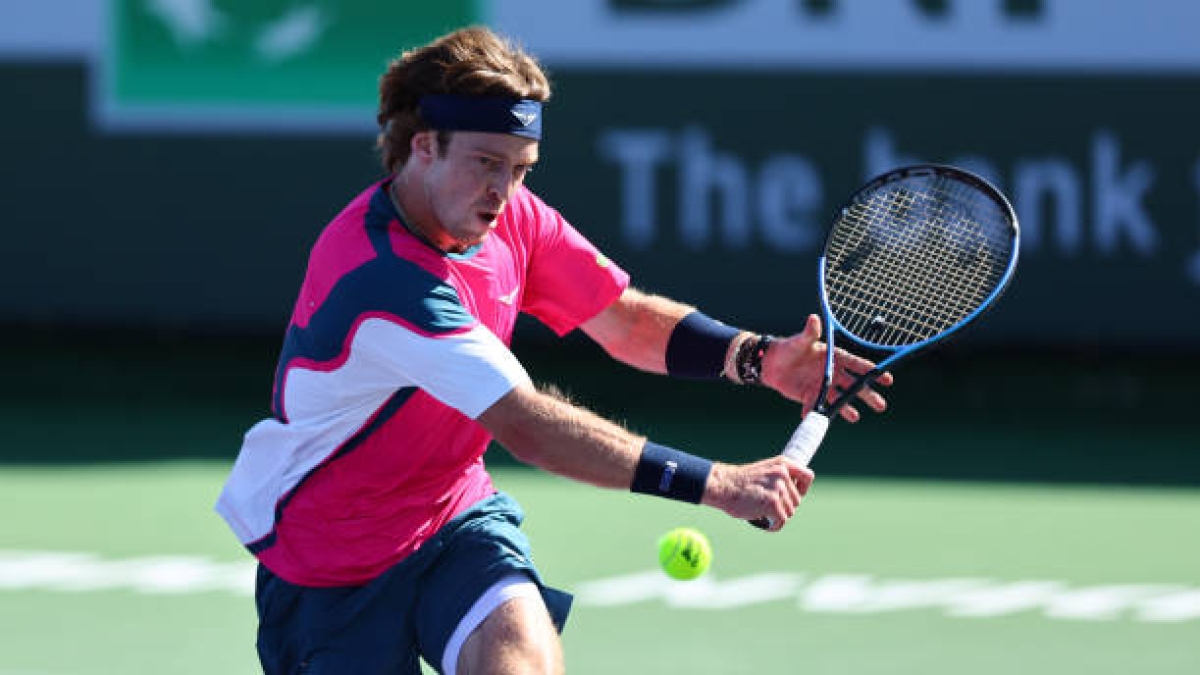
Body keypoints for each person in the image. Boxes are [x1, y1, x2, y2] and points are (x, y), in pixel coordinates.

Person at [215, 25, 891, 675]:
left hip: (451, 516)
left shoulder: (509, 217)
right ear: (424, 147)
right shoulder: (383, 281)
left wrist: (760, 357)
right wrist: (720, 484)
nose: (503, 191)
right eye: (485, 163)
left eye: (519, 169)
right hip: (330, 569)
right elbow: (528, 425)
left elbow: (622, 321)